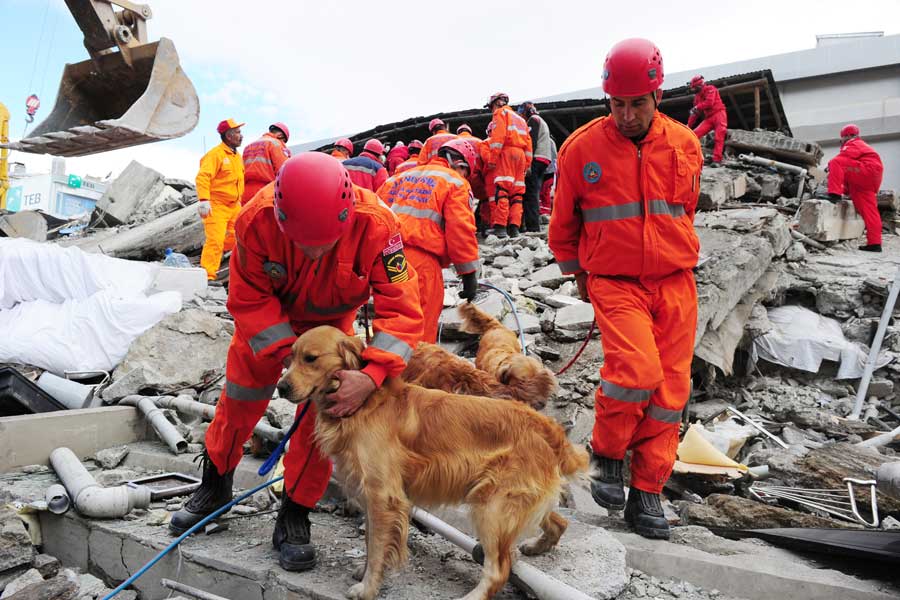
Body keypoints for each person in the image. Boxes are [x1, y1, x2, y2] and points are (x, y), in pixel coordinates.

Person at [169, 152, 424, 572]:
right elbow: (248, 298)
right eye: (303, 243)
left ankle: (294, 515)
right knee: (239, 402)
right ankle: (214, 487)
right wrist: (291, 359)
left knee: (319, 424)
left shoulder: (379, 226)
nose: (313, 251)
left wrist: (373, 375)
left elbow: (402, 309)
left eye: (323, 243)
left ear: (345, 216)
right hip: (267, 327)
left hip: (330, 329)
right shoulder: (255, 220)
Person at [548, 38, 703, 540]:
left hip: (676, 282)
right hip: (613, 281)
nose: (627, 114)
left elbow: (685, 212)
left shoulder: (685, 144)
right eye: (618, 104)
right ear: (606, 98)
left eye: (637, 103)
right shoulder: (581, 150)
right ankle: (608, 450)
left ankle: (647, 492)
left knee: (670, 391)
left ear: (657, 96)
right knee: (635, 372)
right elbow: (563, 225)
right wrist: (579, 275)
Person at [377, 138, 480, 342]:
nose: (465, 177)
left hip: (386, 258)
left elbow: (373, 214)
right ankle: (416, 371)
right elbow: (460, 230)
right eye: (466, 172)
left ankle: (382, 369)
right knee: (420, 325)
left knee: (391, 320)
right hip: (420, 262)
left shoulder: (396, 179)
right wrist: (468, 274)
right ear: (460, 164)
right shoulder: (455, 182)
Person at [196, 118, 246, 281]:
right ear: (228, 136)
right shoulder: (215, 155)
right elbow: (203, 176)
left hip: (234, 206)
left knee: (238, 240)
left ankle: (234, 275)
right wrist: (204, 200)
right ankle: (208, 277)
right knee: (215, 241)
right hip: (217, 205)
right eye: (238, 132)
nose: (241, 136)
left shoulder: (236, 156)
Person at [481, 92, 532, 238]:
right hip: (521, 156)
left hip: (506, 153)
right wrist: (526, 164)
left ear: (496, 103)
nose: (491, 110)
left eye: (491, 107)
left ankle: (500, 228)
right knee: (517, 195)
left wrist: (493, 158)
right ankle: (514, 228)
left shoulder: (500, 113)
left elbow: (498, 138)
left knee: (502, 190)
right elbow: (529, 144)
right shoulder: (520, 119)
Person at [827, 124, 885, 252]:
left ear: (846, 136)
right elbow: (849, 172)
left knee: (834, 162)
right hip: (870, 177)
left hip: (867, 171)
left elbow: (840, 161)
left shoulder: (853, 143)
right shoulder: (861, 145)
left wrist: (831, 170)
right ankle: (875, 243)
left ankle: (834, 194)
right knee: (870, 211)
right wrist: (846, 190)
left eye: (842, 137)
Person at [518, 102, 555, 232]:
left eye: (522, 114)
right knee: (534, 192)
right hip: (544, 159)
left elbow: (530, 142)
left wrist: (527, 163)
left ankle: (532, 227)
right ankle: (533, 225)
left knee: (530, 194)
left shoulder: (533, 120)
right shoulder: (541, 120)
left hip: (536, 158)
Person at [242, 122, 292, 202]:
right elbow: (283, 172)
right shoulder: (276, 144)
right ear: (280, 136)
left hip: (245, 194)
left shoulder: (248, 147)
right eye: (284, 141)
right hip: (265, 193)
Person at [687, 75, 727, 163]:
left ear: (699, 86)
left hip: (719, 114)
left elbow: (709, 103)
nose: (693, 90)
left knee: (719, 137)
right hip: (709, 118)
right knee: (694, 135)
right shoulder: (697, 97)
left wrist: (697, 107)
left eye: (694, 88)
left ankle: (717, 160)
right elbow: (695, 113)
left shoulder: (711, 89)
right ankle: (691, 157)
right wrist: (688, 126)